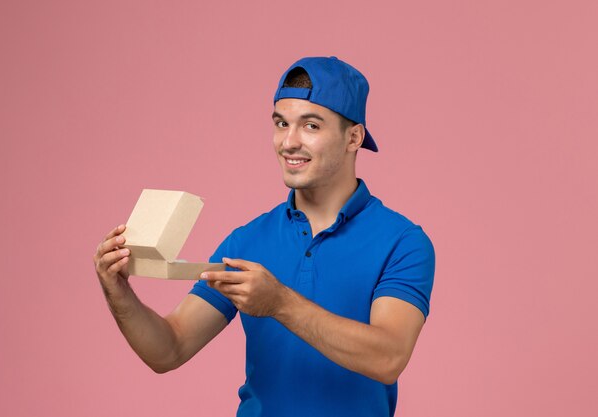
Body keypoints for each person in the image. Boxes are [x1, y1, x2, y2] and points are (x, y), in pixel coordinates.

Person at [93, 56, 435, 417]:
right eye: (281, 123)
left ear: (353, 137)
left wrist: (280, 303)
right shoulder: (247, 241)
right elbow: (169, 349)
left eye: (311, 126)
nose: (288, 142)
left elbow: (388, 357)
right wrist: (117, 290)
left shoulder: (403, 242)